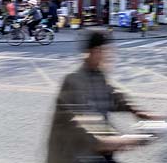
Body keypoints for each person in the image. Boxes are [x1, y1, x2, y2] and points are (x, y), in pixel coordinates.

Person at [46, 31, 161, 163]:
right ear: (92, 52)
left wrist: (138, 112)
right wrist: (134, 140)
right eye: (105, 52)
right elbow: (95, 138)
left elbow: (113, 97)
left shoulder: (97, 75)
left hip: (95, 156)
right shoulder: (73, 83)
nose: (109, 57)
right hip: (72, 157)